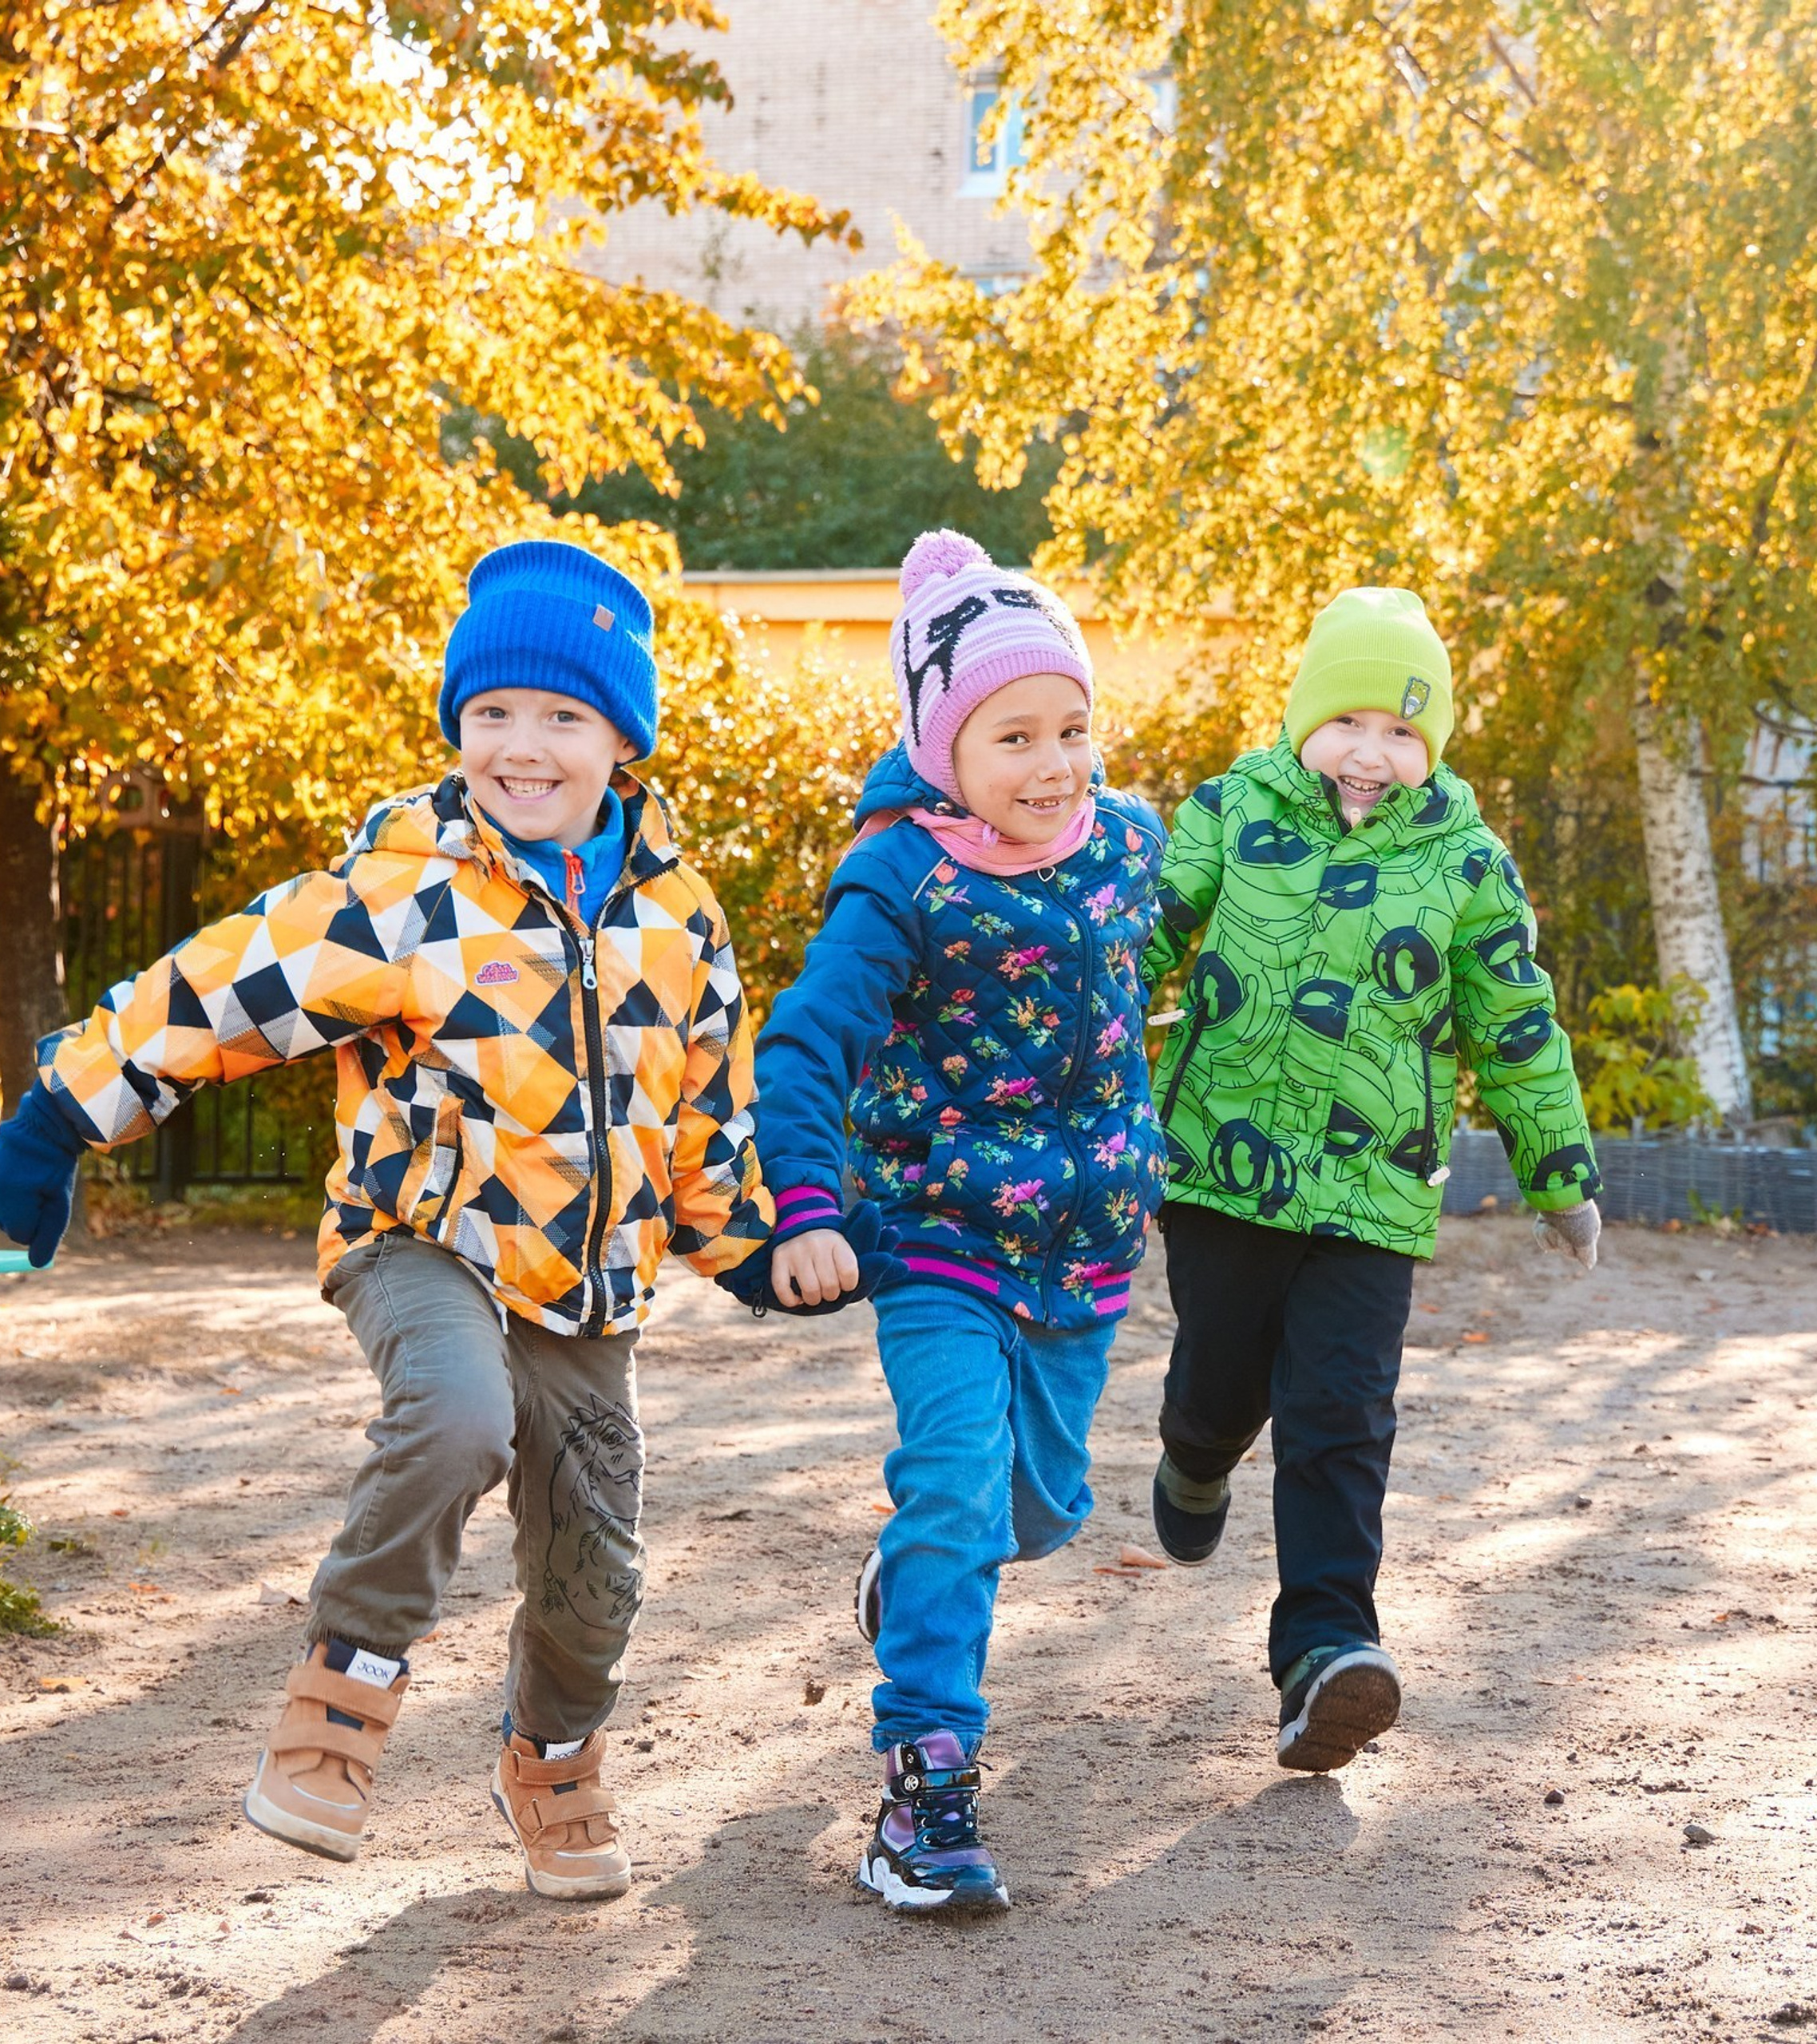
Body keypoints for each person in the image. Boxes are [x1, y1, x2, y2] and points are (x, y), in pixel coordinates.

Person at [0, 539, 772, 1900]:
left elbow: (708, 1121)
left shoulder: (680, 919)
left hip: (589, 1288)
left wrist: (760, 1246)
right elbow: (220, 986)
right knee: (460, 1416)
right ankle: (338, 1702)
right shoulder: (405, 894)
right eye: (491, 715)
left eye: (562, 717)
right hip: (421, 1241)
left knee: (597, 1573)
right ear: (456, 727)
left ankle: (551, 1758)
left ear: (623, 740)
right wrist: (62, 1115)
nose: (522, 747)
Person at [739, 528, 1166, 1912]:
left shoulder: (1131, 846)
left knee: (1034, 1511)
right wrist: (808, 1207)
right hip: (937, 1242)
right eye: (1014, 737)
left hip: (1088, 1256)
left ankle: (912, 1573)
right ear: (942, 749)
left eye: (1074, 729)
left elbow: (1250, 906)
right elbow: (803, 1047)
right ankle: (924, 1785)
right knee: (959, 1486)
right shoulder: (900, 883)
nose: (1054, 766)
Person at [1142, 586, 1601, 1773]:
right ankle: (1195, 1455)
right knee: (1222, 1374)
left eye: (1406, 732)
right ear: (1304, 719)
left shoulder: (1466, 861)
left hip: (1376, 1193)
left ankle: (1327, 1653)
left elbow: (1514, 1022)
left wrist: (1558, 1170)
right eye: (1351, 721)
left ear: (1432, 748)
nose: (1374, 753)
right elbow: (1136, 934)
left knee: (1341, 1417)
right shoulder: (1229, 810)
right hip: (1219, 1177)